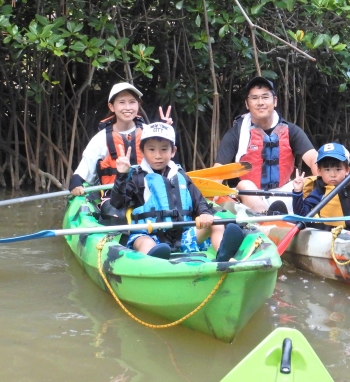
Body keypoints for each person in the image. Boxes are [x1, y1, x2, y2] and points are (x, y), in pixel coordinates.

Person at [110, 122, 245, 261]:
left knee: (216, 222)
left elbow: (198, 200)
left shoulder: (180, 176)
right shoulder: (136, 177)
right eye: (151, 149)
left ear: (173, 151)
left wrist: (204, 213)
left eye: (164, 149)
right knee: (145, 243)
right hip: (149, 234)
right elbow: (118, 203)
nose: (158, 155)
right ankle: (152, 263)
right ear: (142, 151)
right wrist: (121, 175)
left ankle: (223, 255)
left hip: (184, 236)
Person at [214, 76, 318, 212]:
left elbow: (314, 159)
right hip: (248, 198)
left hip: (283, 193)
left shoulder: (291, 130)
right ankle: (267, 219)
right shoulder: (236, 133)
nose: (260, 102)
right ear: (247, 104)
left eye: (265, 97)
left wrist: (322, 186)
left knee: (308, 182)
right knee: (245, 185)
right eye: (254, 98)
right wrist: (214, 192)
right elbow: (219, 170)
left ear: (274, 101)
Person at [68, 82, 171, 196]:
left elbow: (167, 164)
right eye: (122, 102)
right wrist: (76, 185)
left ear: (138, 105)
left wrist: (164, 132)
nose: (128, 108)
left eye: (132, 102)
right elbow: (81, 174)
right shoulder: (100, 139)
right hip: (114, 199)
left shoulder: (149, 133)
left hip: (149, 195)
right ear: (111, 106)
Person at [291, 142, 350, 232]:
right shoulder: (319, 192)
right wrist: (297, 192)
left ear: (347, 170)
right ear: (319, 171)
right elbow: (302, 215)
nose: (333, 174)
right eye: (327, 169)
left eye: (338, 169)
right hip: (337, 233)